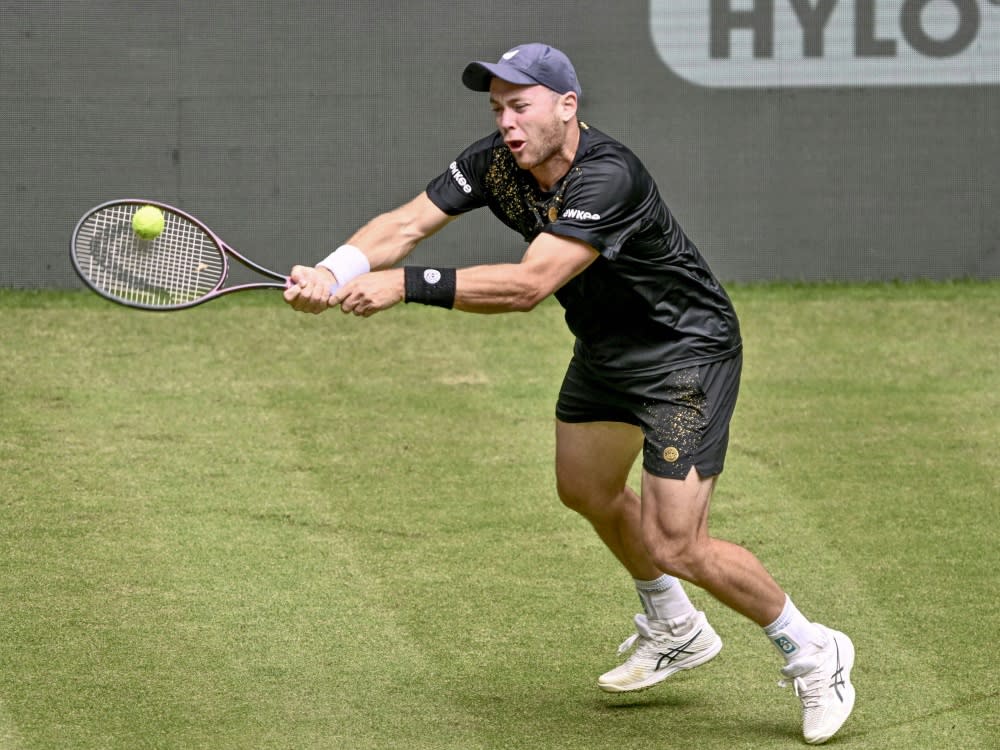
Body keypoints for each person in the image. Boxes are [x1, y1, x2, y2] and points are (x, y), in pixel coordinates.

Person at [283, 43, 856, 745]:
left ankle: (811, 647)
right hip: (608, 349)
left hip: (684, 355)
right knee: (585, 487)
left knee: (677, 539)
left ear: (567, 106)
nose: (507, 123)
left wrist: (405, 285)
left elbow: (529, 285)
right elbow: (405, 224)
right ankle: (675, 626)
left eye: (520, 105)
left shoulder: (607, 176)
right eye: (497, 108)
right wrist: (333, 269)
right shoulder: (495, 162)